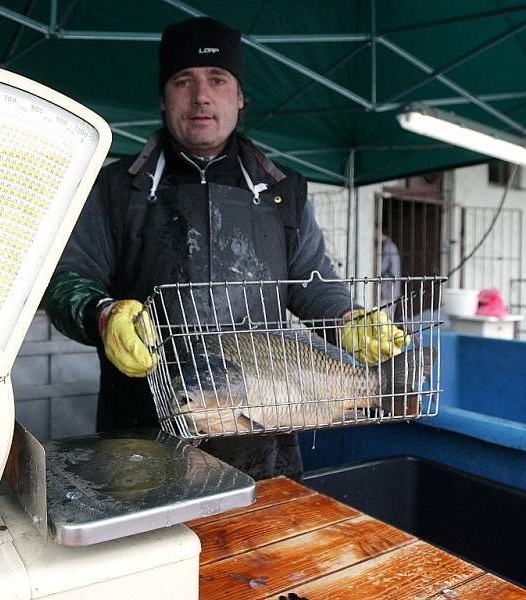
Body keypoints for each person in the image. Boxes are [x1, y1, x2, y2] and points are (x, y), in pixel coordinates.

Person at [44, 17, 400, 480]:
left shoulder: (281, 190)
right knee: (158, 548)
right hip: (143, 430)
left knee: (261, 545)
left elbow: (313, 283)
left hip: (265, 428)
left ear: (240, 98)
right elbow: (69, 279)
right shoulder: (116, 189)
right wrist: (102, 313)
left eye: (217, 80)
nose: (201, 96)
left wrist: (348, 319)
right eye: (182, 81)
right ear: (163, 98)